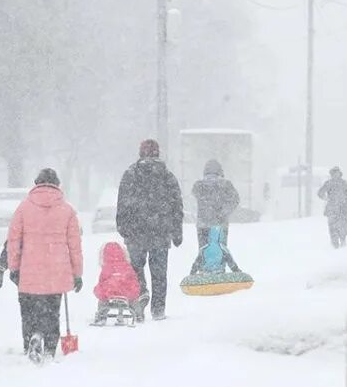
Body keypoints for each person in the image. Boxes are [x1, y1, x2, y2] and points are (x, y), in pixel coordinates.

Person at [7, 168, 83, 360]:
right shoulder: (67, 211)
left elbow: (13, 241)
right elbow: (75, 246)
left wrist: (14, 267)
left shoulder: (23, 208)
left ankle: (32, 336)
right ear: (57, 184)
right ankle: (49, 346)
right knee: (51, 312)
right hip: (56, 273)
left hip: (29, 272)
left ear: (37, 183)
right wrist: (77, 273)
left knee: (29, 312)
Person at [116, 139, 184, 321]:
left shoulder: (130, 174)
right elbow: (176, 205)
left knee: (136, 268)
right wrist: (177, 231)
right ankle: (158, 309)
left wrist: (122, 226)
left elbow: (122, 202)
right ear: (157, 154)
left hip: (135, 232)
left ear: (140, 153)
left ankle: (140, 294)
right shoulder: (167, 176)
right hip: (160, 233)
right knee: (159, 273)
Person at [92, 242, 143, 326]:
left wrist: (98, 291)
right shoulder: (127, 266)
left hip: (110, 292)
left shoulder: (106, 268)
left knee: (102, 299)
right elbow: (133, 280)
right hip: (125, 292)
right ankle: (138, 314)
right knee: (134, 299)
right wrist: (134, 290)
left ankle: (101, 315)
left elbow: (101, 283)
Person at [192, 159, 240, 248]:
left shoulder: (199, 185)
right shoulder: (226, 185)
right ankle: (218, 261)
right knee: (219, 250)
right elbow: (235, 200)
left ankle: (204, 261)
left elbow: (194, 192)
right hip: (220, 225)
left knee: (204, 250)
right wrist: (223, 212)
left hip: (203, 224)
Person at [318, 166, 347, 248]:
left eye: (337, 173)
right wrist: (325, 198)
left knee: (342, 230)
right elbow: (320, 193)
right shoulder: (329, 183)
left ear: (339, 174)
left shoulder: (344, 183)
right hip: (332, 210)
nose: (335, 175)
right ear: (331, 174)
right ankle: (335, 247)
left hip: (343, 210)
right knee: (333, 229)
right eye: (333, 173)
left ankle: (343, 245)